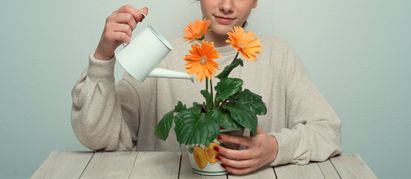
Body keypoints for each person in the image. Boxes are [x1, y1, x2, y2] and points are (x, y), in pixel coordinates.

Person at [71, 0, 341, 175]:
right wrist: (103, 57)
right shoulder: (161, 56)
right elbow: (98, 137)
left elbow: (327, 131)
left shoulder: (278, 55)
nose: (226, 5)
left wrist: (275, 148)